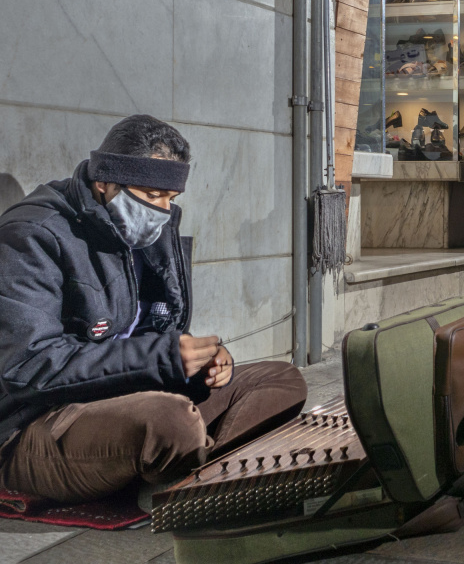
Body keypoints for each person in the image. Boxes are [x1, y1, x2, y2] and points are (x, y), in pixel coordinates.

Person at [0, 115, 307, 505]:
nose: (162, 211)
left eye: (171, 199)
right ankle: (195, 470)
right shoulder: (31, 236)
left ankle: (187, 473)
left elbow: (156, 333)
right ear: (104, 181)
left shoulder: (152, 231)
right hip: (36, 424)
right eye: (150, 196)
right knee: (170, 422)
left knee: (281, 379)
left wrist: (203, 364)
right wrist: (162, 357)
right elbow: (29, 367)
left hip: (131, 397)